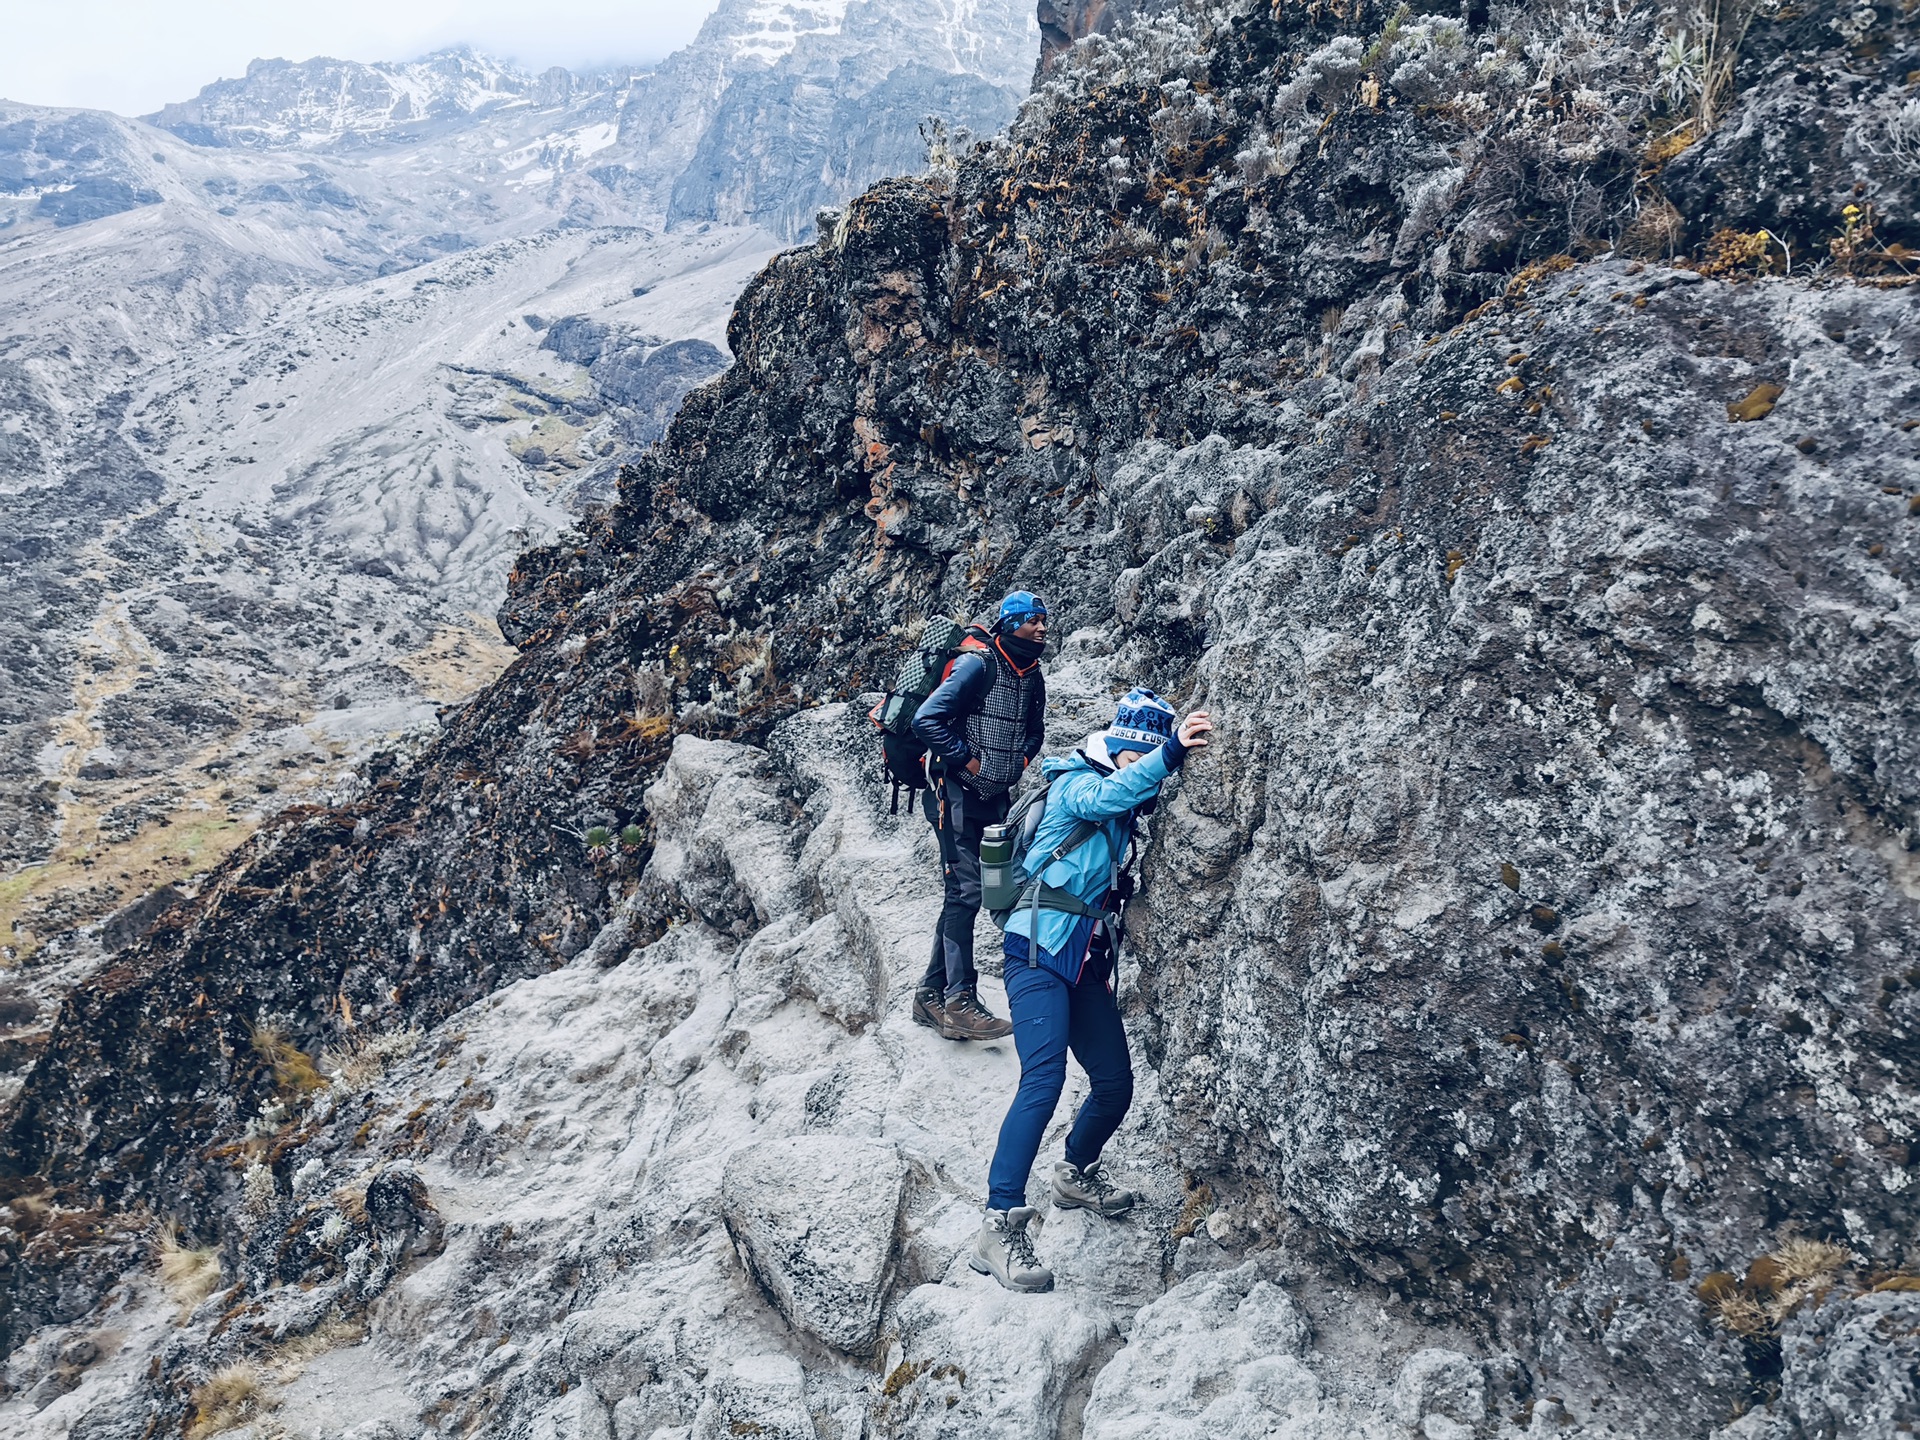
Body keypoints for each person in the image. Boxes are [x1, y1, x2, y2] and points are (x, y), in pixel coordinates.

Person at [971, 688, 1213, 1293]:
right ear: (1124, 751)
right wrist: (1172, 754)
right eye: (1141, 759)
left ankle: (1074, 1173)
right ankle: (997, 1226)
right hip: (1034, 953)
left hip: (1081, 961)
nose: (1146, 776)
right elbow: (1113, 793)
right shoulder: (1076, 784)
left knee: (1114, 1084)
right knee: (1044, 1080)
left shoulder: (1121, 800)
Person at [909, 592, 1050, 1041]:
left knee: (973, 889)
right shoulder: (979, 664)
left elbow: (1035, 731)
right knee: (967, 889)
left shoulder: (1032, 675)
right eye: (1033, 620)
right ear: (1010, 624)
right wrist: (968, 761)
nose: (1042, 627)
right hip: (954, 792)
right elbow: (926, 720)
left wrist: (1019, 764)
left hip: (995, 797)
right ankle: (958, 1003)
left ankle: (930, 995)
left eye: (1044, 620)